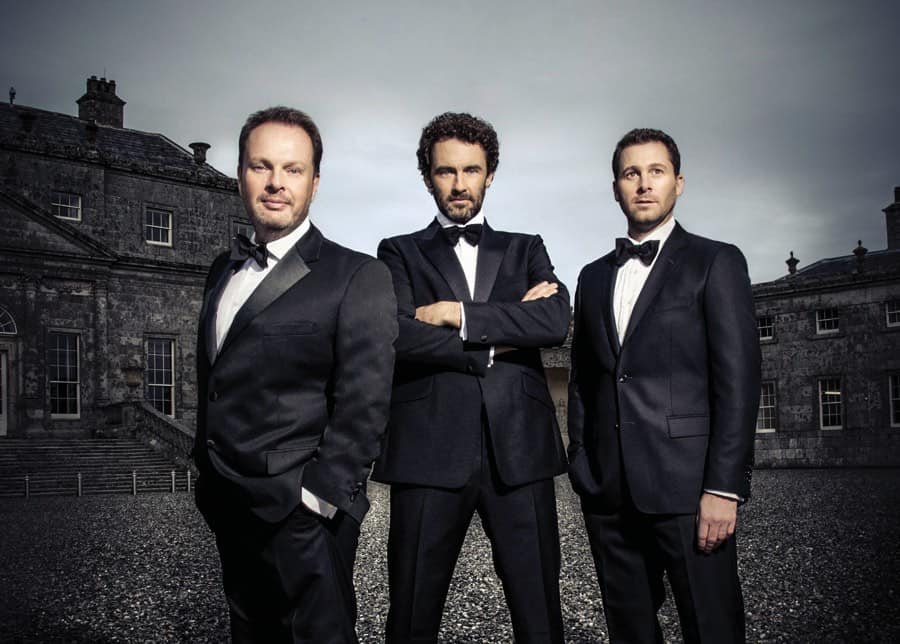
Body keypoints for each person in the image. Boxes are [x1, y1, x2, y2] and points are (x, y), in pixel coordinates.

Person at [192, 106, 397, 643]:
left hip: (303, 513)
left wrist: (318, 497)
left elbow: (365, 399)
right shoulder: (222, 269)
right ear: (240, 174)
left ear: (315, 181)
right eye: (261, 166)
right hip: (228, 504)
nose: (276, 183)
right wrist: (207, 476)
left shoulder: (357, 275)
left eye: (293, 169)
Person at [372, 112, 569, 643]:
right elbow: (396, 334)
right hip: (428, 451)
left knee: (540, 616)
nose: (459, 185)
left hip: (521, 450)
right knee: (411, 615)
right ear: (427, 176)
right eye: (445, 172)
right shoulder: (398, 251)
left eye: (471, 170)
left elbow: (553, 321)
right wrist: (502, 339)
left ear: (490, 173)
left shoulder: (526, 247)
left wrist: (459, 315)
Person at [567, 128, 761, 643]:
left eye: (656, 172)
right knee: (628, 629)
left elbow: (738, 382)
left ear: (678, 183)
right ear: (615, 188)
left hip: (689, 489)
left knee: (711, 626)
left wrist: (724, 487)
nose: (644, 184)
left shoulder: (716, 261)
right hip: (609, 492)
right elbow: (586, 379)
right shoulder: (591, 277)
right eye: (632, 173)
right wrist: (582, 463)